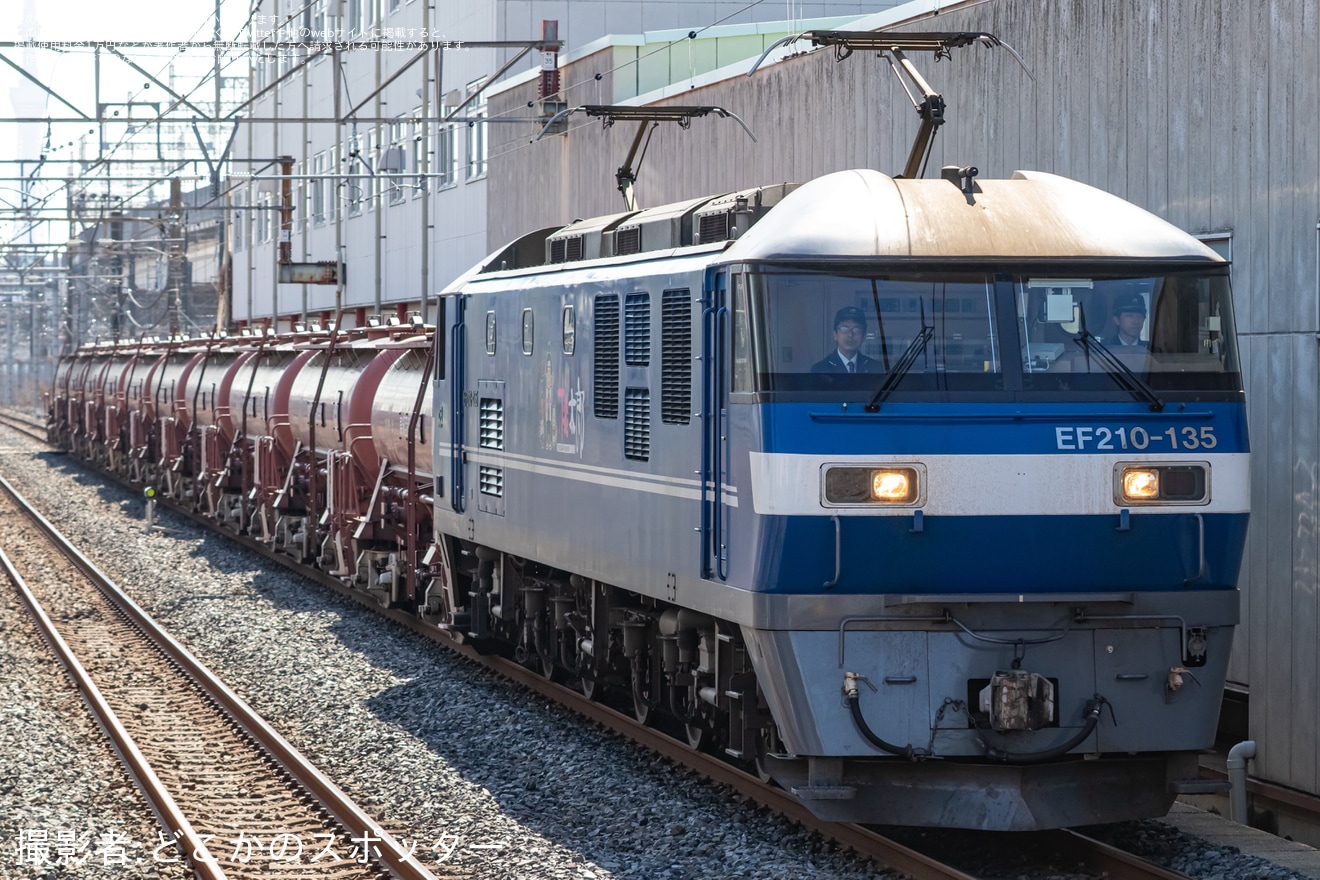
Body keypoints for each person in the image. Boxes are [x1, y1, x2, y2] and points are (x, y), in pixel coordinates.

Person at [812, 306, 880, 373]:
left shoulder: (875, 367)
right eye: (844, 329)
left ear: (864, 336)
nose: (850, 335)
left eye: (856, 330)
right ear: (835, 334)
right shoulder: (820, 369)